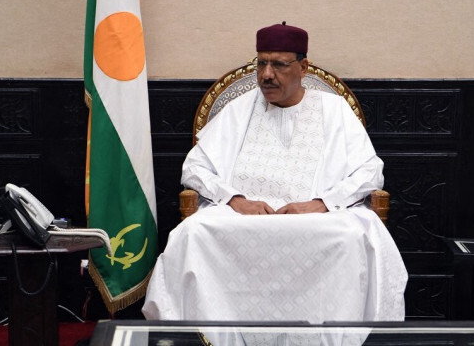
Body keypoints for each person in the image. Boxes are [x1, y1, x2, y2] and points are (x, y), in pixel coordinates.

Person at [142, 22, 408, 323]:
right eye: (262, 64)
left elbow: (370, 172)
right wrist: (236, 199)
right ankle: (212, 336)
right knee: (192, 233)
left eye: (279, 65)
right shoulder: (238, 109)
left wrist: (320, 203)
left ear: (303, 67)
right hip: (242, 219)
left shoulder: (334, 109)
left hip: (318, 219)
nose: (266, 75)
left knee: (350, 236)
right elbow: (194, 167)